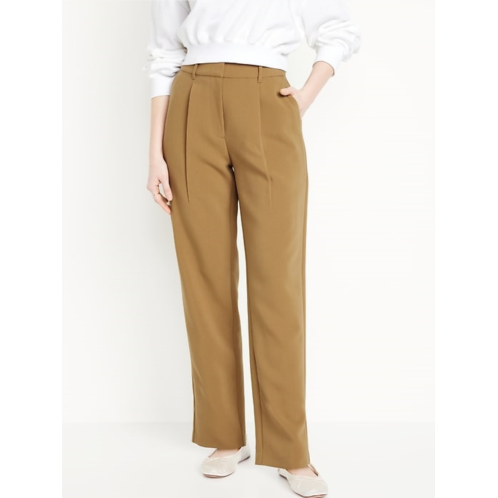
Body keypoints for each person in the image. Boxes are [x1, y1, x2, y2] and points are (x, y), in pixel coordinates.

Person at [145, 1, 360, 496]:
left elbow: (339, 29)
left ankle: (290, 450)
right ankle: (225, 436)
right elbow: (163, 52)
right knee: (205, 280)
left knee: (277, 282)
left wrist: (305, 94)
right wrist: (154, 153)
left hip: (267, 97)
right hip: (191, 100)